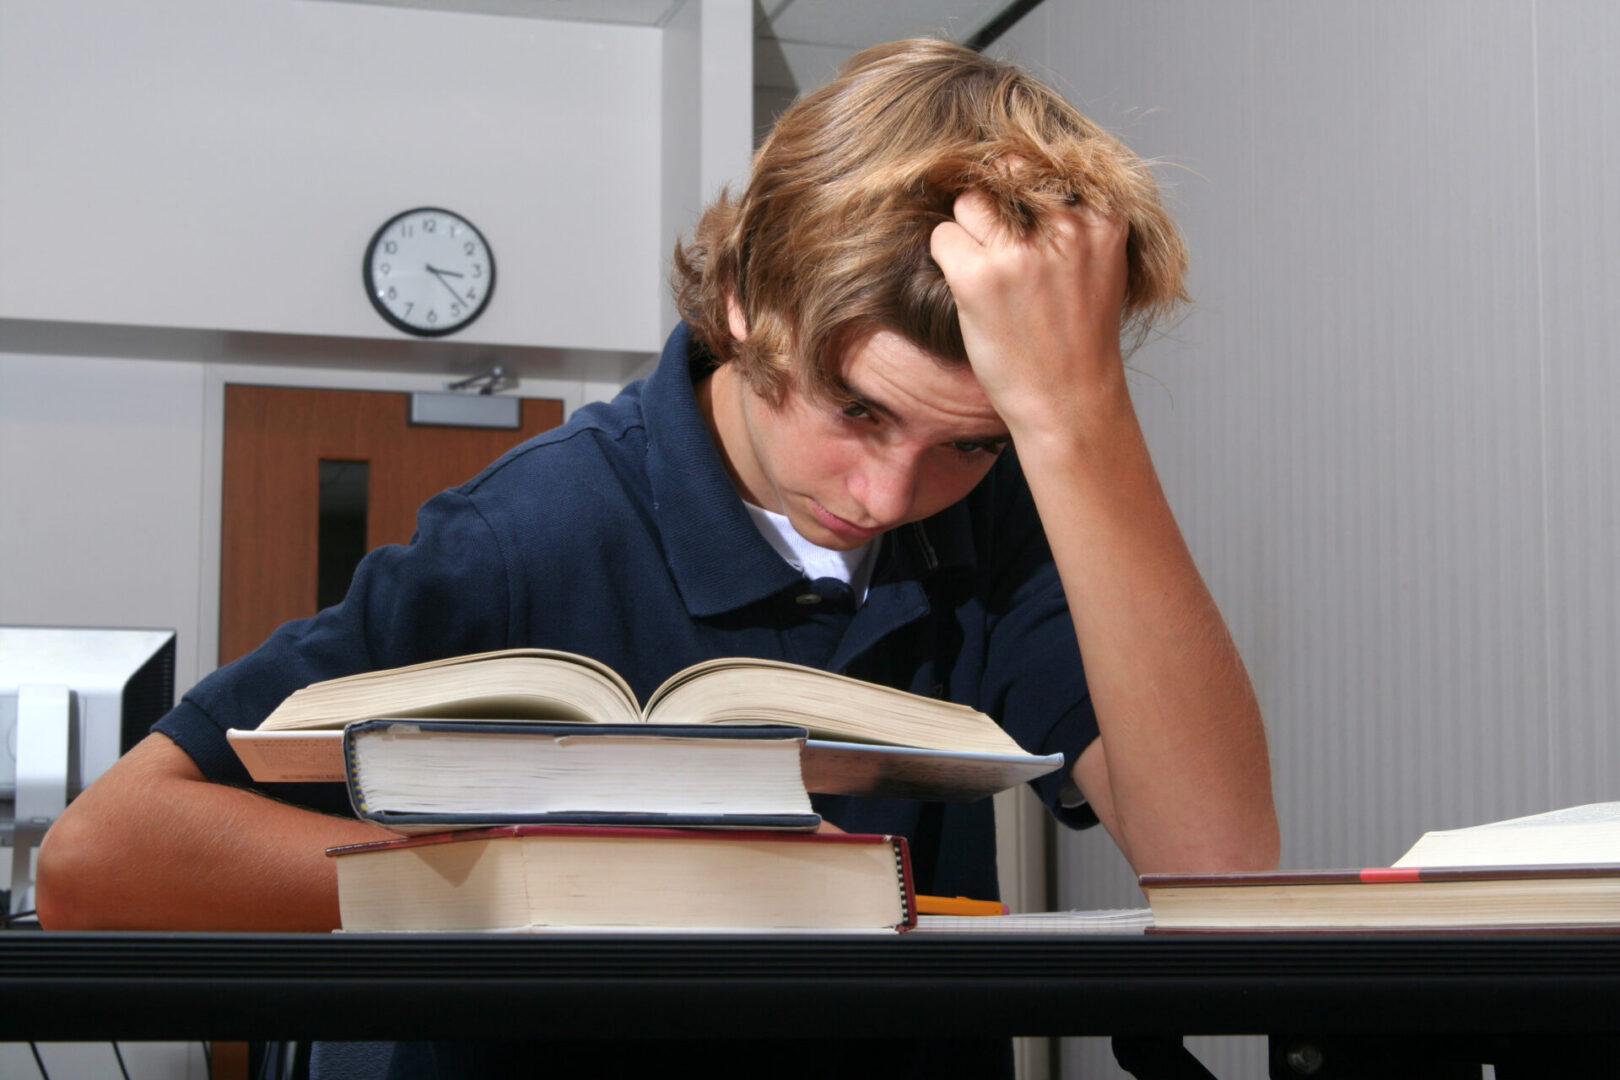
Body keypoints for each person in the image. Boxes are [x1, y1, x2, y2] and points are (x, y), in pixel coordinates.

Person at [36, 37, 1277, 1078]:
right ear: (744, 297)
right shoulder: (530, 527)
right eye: (857, 412)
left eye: (974, 442)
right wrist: (547, 887)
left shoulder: (1003, 503)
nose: (892, 495)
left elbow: (1218, 871)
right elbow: (103, 858)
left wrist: (1076, 422)